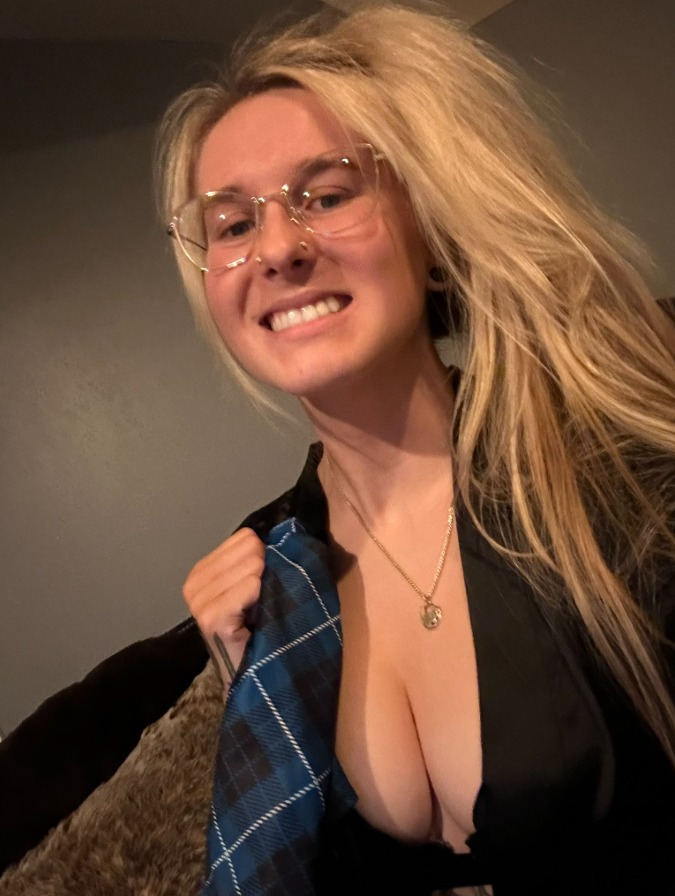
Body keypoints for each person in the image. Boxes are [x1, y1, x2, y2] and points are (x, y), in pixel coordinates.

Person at [1, 4, 674, 895]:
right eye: (232, 225)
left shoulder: (615, 466)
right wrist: (253, 689)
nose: (278, 247)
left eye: (326, 195)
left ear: (429, 235)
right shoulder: (274, 582)